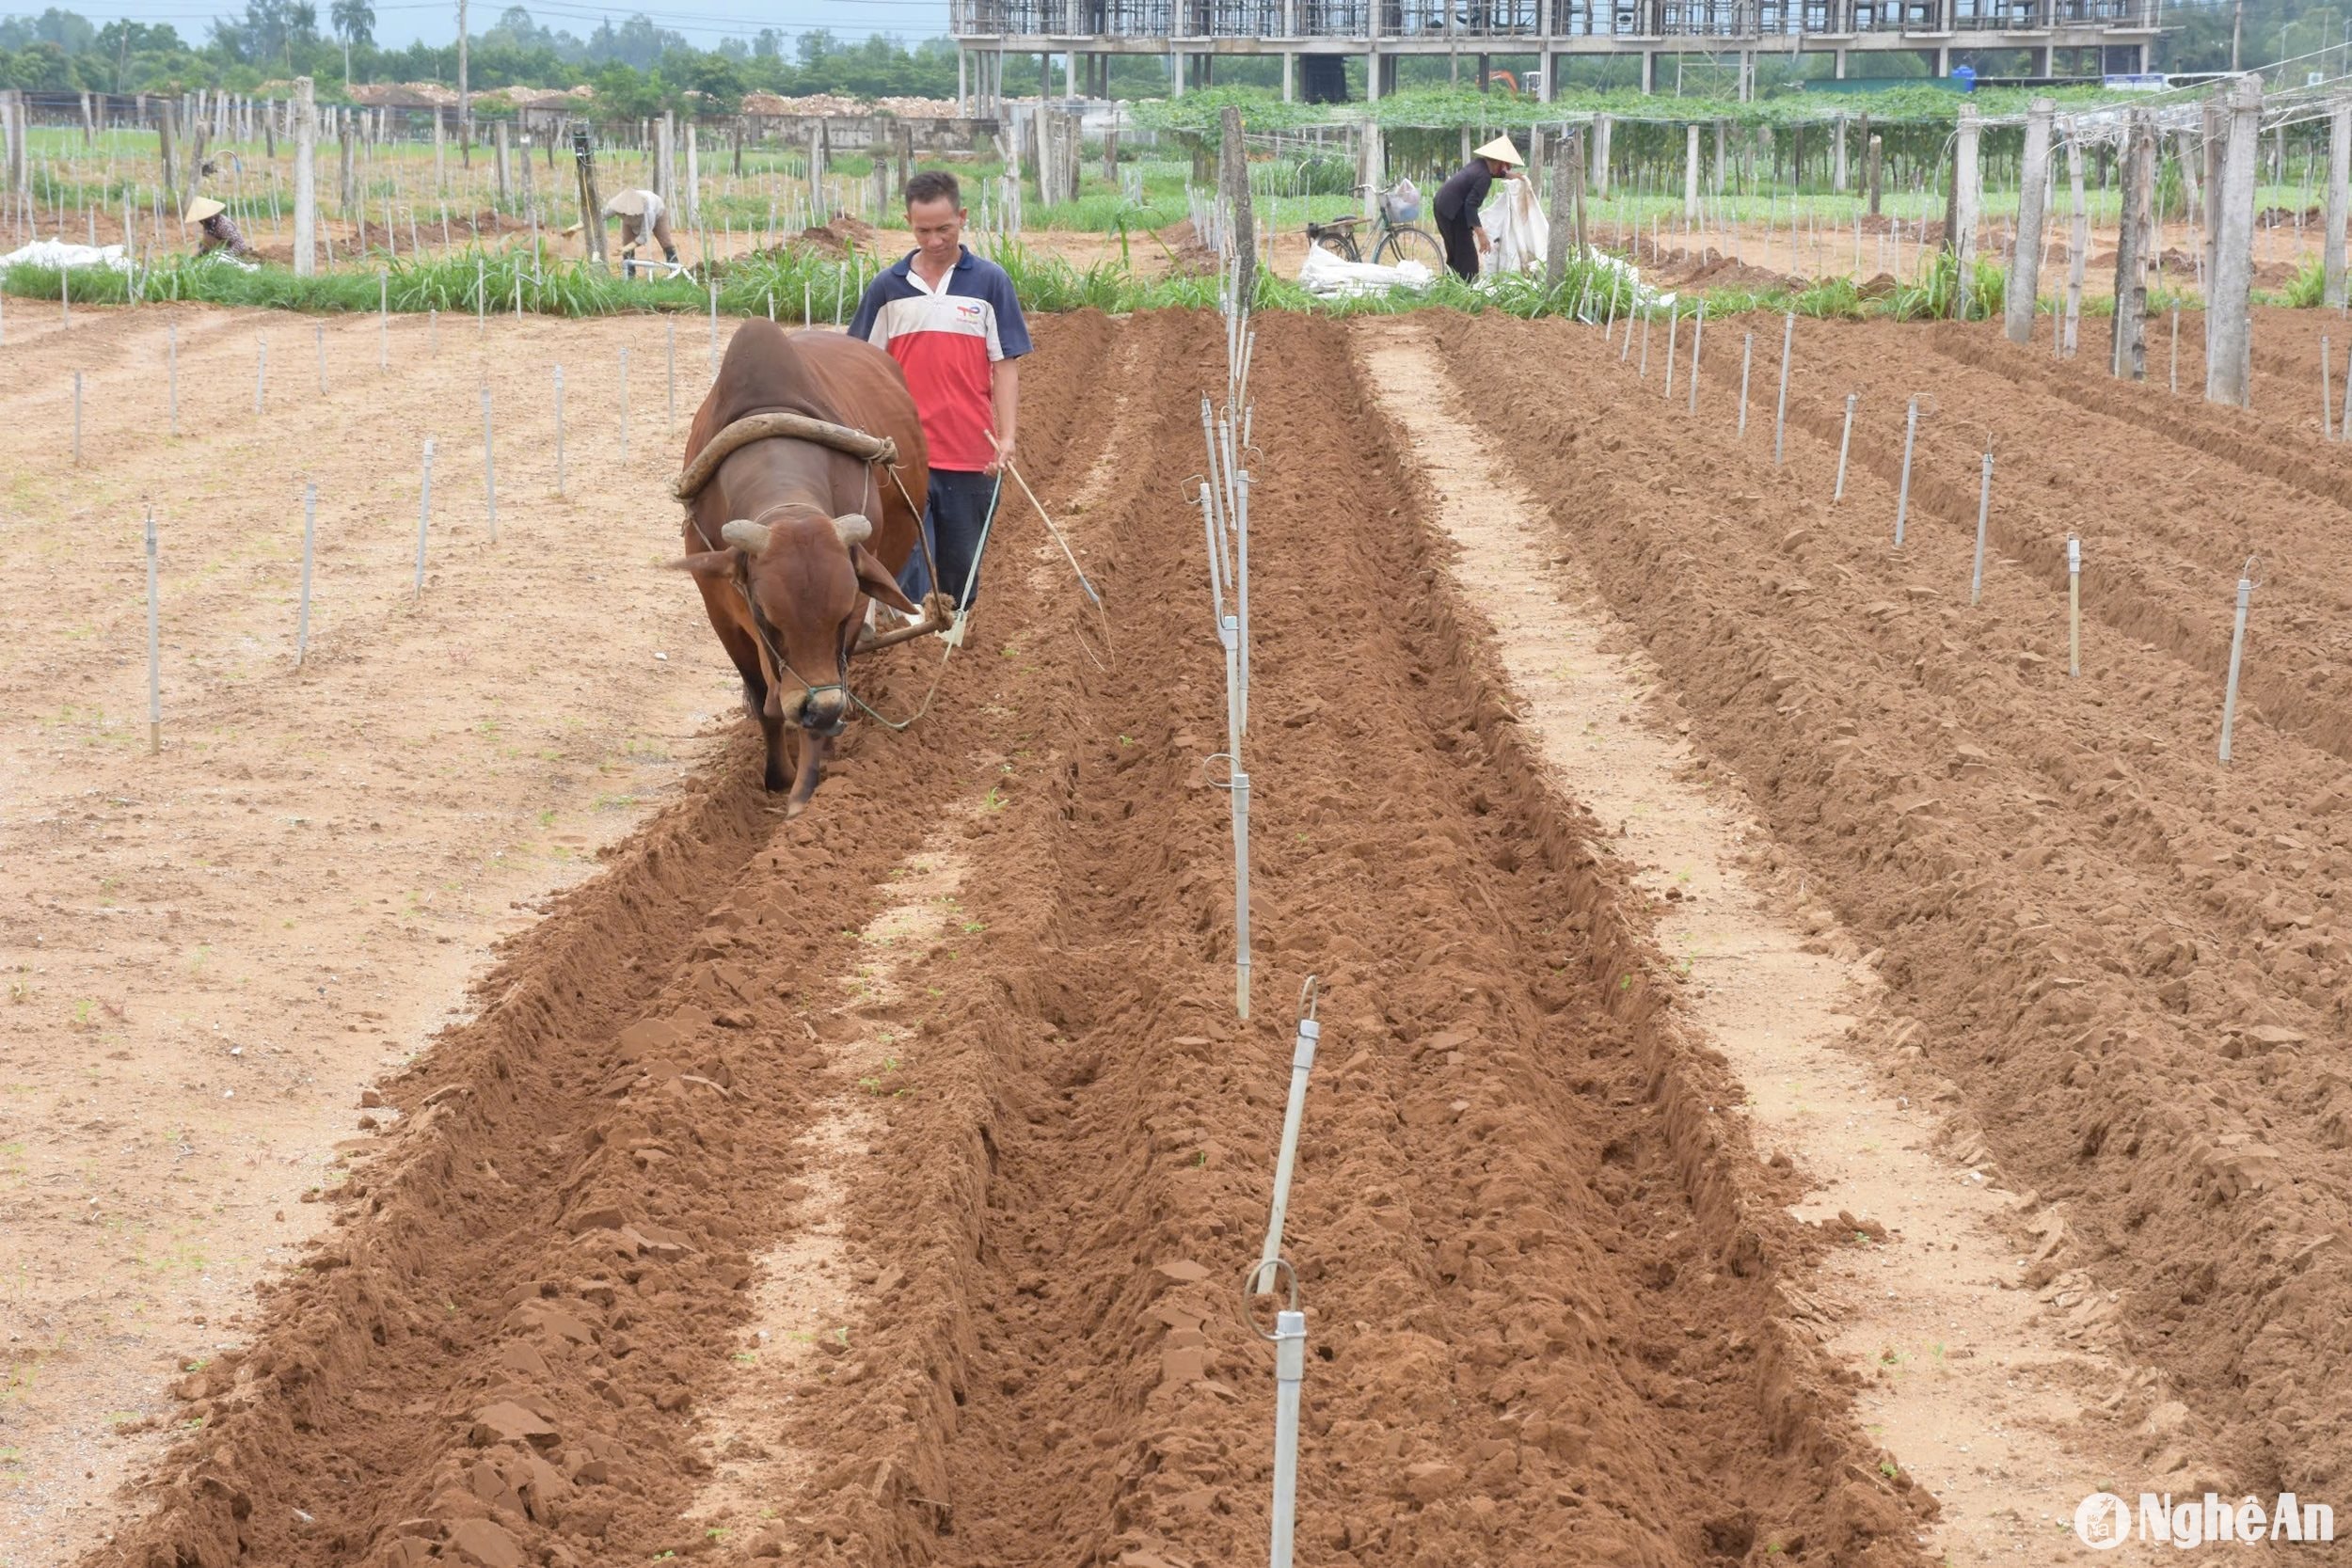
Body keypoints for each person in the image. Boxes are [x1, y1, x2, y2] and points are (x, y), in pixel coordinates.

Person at [847, 169, 1028, 644]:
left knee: (960, 567)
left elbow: (1005, 364)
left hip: (972, 453)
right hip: (902, 458)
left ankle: (951, 657)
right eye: (923, 230)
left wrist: (1006, 437)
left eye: (943, 228)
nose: (934, 239)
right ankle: (908, 653)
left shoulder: (989, 283)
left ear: (962, 218)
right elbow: (860, 364)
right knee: (906, 564)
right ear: (908, 223)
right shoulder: (889, 287)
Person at [1432, 136, 1526, 282]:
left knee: (1456, 254)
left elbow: (1491, 173)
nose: (1506, 169)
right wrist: (1481, 234)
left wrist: (1507, 175)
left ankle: (1450, 289)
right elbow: (1470, 205)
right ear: (1500, 163)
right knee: (1468, 261)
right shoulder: (1484, 178)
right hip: (1453, 212)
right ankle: (1465, 294)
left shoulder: (1479, 164)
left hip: (1442, 206)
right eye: (1506, 166)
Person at [562, 188, 679, 272]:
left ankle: (675, 270)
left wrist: (624, 249)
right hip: (631, 221)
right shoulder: (616, 206)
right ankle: (629, 276)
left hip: (658, 214)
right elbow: (598, 218)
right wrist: (575, 228)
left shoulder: (649, 211)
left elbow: (643, 237)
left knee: (666, 244)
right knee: (627, 244)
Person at [185, 197, 253, 260]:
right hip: (218, 253)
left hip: (233, 254)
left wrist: (226, 257)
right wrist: (195, 258)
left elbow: (239, 244)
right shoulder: (208, 225)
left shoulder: (223, 225)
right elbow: (207, 246)